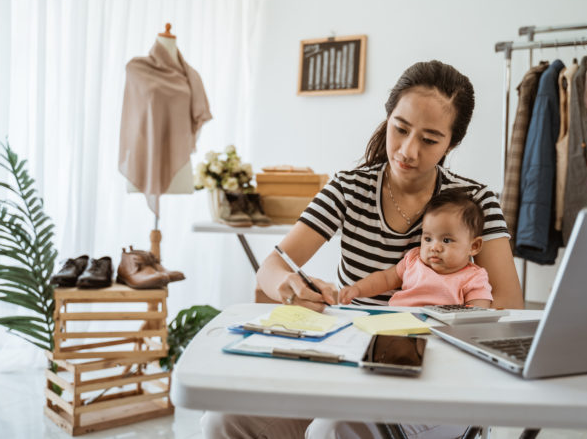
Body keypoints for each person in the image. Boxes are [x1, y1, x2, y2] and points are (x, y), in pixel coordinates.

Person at [202, 60, 523, 439]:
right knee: (223, 420)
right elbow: (272, 265)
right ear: (388, 118)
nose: (407, 150)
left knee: (333, 430)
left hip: (439, 376)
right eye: (400, 129)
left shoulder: (474, 201)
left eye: (429, 139)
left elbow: (509, 306)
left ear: (452, 143)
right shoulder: (349, 188)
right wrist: (288, 284)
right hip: (350, 368)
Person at [338, 188, 492, 308]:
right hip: (401, 322)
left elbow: (478, 313)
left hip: (440, 331)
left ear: (474, 246)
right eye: (427, 239)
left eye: (446, 240)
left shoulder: (474, 277)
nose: (435, 247)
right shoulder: (413, 260)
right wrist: (357, 289)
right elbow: (384, 279)